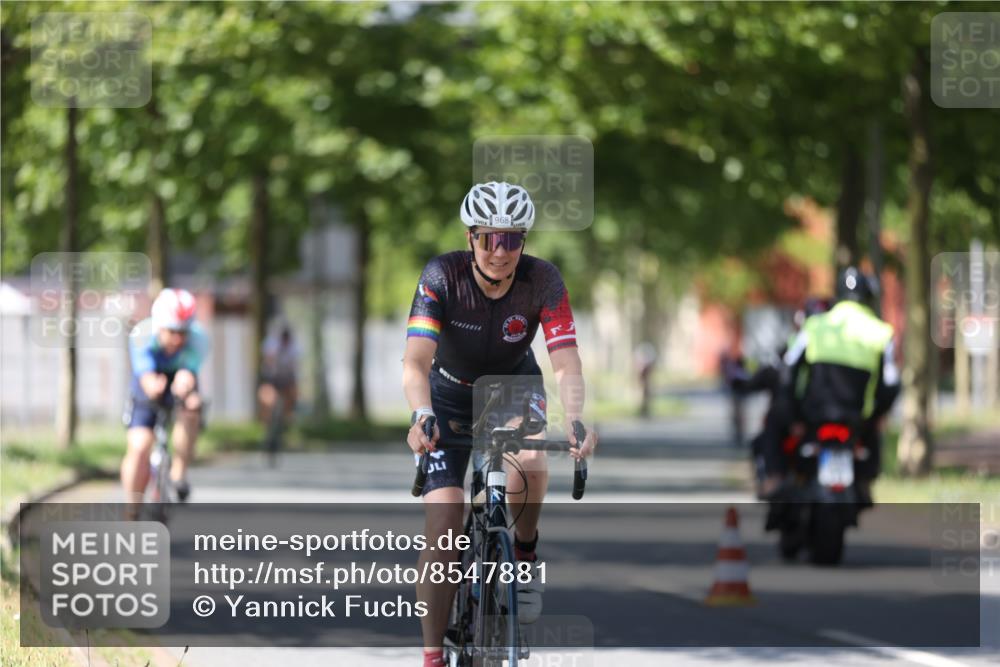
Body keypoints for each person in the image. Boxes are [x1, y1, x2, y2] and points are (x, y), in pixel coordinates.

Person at [402, 181, 598, 667]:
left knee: (530, 459)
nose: (499, 251)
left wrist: (576, 418)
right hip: (447, 395)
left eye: (511, 239)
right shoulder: (442, 275)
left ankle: (524, 556)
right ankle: (432, 656)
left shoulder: (543, 280)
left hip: (512, 387)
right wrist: (422, 413)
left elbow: (566, 361)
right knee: (444, 521)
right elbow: (415, 361)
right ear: (470, 237)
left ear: (523, 242)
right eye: (488, 238)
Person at [763, 268, 899, 503]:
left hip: (814, 415)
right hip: (857, 419)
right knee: (873, 434)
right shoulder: (882, 333)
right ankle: (866, 483)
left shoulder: (814, 326)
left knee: (773, 420)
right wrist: (877, 415)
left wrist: (792, 415)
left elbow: (788, 370)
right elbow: (891, 384)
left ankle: (774, 478)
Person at [122, 288, 209, 509]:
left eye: (183, 333)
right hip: (150, 377)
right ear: (159, 326)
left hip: (180, 376)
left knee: (191, 408)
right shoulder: (142, 335)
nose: (178, 339)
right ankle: (132, 509)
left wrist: (185, 385)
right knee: (140, 446)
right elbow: (147, 379)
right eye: (172, 332)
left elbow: (188, 373)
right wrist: (154, 387)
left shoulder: (199, 339)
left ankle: (179, 472)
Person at [258, 323, 300, 425]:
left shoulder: (293, 348)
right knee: (267, 399)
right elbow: (268, 361)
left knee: (293, 395)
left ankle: (286, 417)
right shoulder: (271, 344)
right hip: (272, 379)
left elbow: (294, 367)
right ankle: (267, 422)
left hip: (287, 379)